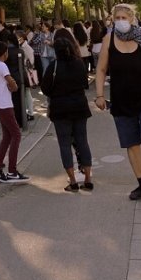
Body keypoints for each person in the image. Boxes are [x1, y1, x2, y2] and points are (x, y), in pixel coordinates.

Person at [94, 3, 141, 199]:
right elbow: (101, 69)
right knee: (132, 144)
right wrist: (100, 95)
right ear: (112, 20)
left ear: (132, 19)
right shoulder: (108, 40)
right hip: (122, 100)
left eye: (124, 18)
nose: (120, 21)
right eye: (117, 18)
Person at [40, 28, 93, 191]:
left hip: (60, 109)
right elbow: (85, 84)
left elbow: (45, 88)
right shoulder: (78, 64)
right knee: (82, 141)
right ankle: (88, 178)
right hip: (79, 106)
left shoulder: (53, 67)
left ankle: (72, 181)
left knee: (64, 144)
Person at [0, 39, 27, 183]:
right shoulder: (2, 65)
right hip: (5, 104)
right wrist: (14, 86)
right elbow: (10, 81)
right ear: (4, 53)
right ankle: (12, 170)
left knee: (7, 136)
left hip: (0, 103)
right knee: (16, 134)